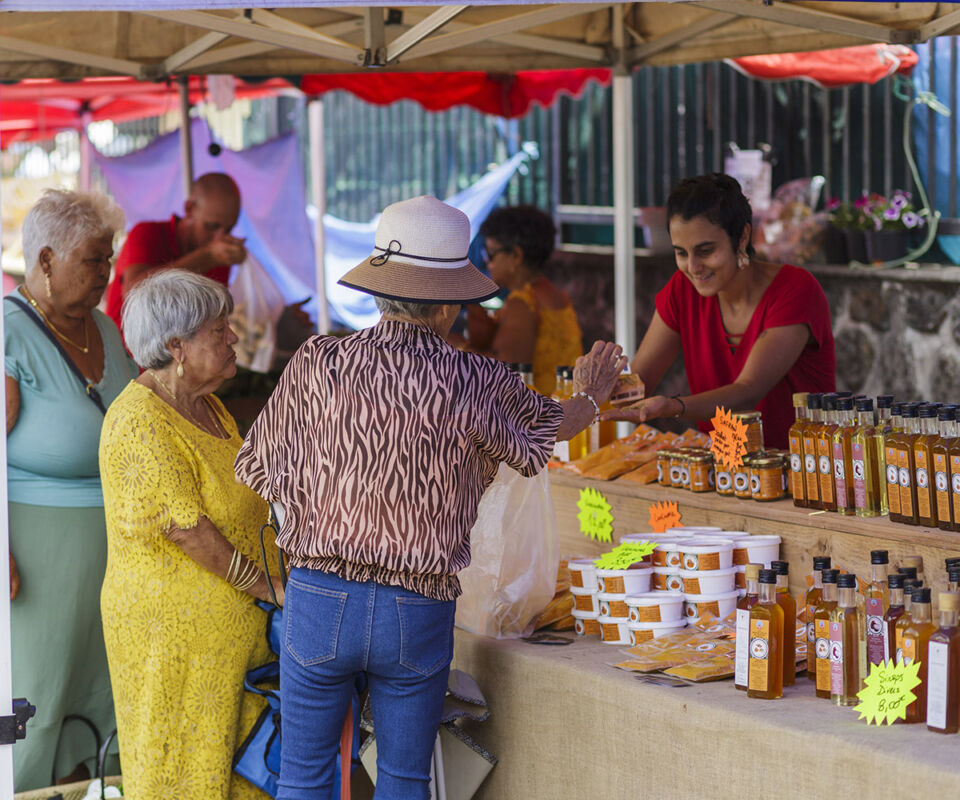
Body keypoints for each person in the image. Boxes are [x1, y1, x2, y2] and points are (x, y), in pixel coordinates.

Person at [235, 196, 626, 800]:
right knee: (404, 779)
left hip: (318, 599)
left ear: (378, 292)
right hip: (415, 609)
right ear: (448, 305)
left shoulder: (317, 361)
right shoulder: (476, 380)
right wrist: (592, 395)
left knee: (304, 777)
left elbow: (257, 468)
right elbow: (550, 427)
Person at [0, 190, 136, 798]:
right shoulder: (1, 333)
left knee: (95, 702)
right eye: (93, 260)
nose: (106, 272)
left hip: (109, 561)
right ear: (45, 259)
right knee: (31, 701)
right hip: (30, 561)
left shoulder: (103, 327)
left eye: (108, 258)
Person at [100, 269, 283, 799]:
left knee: (242, 773)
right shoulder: (139, 419)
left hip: (234, 637)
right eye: (218, 330)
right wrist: (270, 587)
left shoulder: (208, 405)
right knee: (183, 770)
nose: (233, 337)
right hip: (173, 640)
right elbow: (189, 531)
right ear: (176, 346)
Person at [602, 173, 836, 448]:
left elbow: (748, 392)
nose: (693, 267)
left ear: (742, 236)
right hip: (724, 467)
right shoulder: (683, 289)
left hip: (804, 466)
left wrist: (672, 406)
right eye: (681, 253)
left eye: (705, 251)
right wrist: (595, 387)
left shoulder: (796, 289)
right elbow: (637, 388)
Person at [464, 205, 583, 395]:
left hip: (541, 409)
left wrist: (457, 348)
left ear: (516, 255)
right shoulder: (556, 295)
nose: (488, 262)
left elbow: (505, 373)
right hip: (566, 402)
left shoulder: (522, 303)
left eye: (491, 254)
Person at [103, 172, 247, 328]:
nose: (219, 237)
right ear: (189, 208)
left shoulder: (219, 258)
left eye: (228, 229)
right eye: (212, 226)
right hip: (122, 342)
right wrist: (207, 257)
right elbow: (134, 294)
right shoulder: (147, 233)